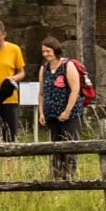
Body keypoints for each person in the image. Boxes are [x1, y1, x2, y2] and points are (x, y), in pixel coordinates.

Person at [39, 35, 83, 181]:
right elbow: (41, 93)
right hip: (51, 115)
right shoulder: (44, 68)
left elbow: (75, 90)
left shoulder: (67, 66)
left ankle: (68, 178)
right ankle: (54, 177)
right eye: (43, 51)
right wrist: (41, 113)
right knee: (54, 147)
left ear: (55, 50)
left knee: (69, 146)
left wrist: (67, 111)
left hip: (70, 114)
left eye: (48, 51)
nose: (45, 54)